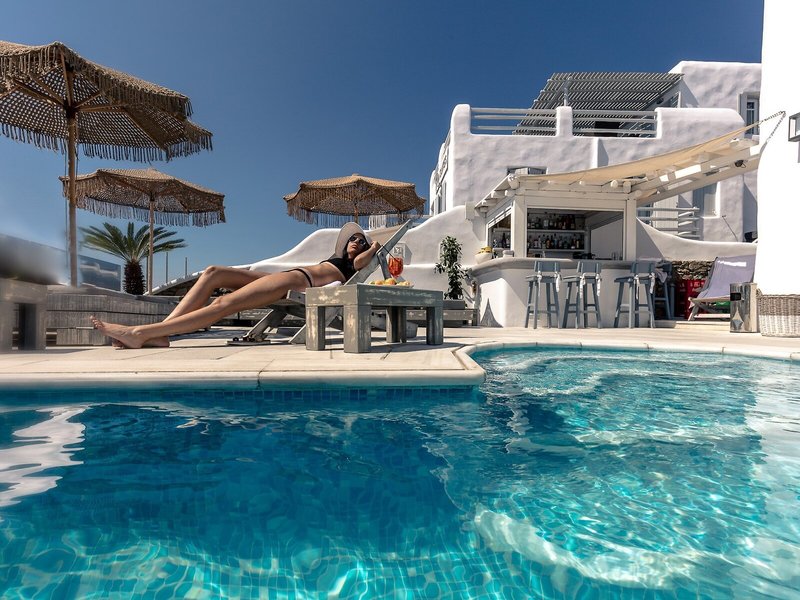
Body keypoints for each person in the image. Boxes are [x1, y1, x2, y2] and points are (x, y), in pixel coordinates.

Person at [92, 222, 380, 349]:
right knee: (213, 272)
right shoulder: (336, 258)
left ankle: (140, 333)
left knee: (223, 303)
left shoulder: (354, 264)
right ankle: (161, 333)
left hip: (296, 281)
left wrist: (376, 246)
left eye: (361, 241)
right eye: (352, 239)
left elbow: (361, 263)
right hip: (289, 275)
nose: (356, 242)